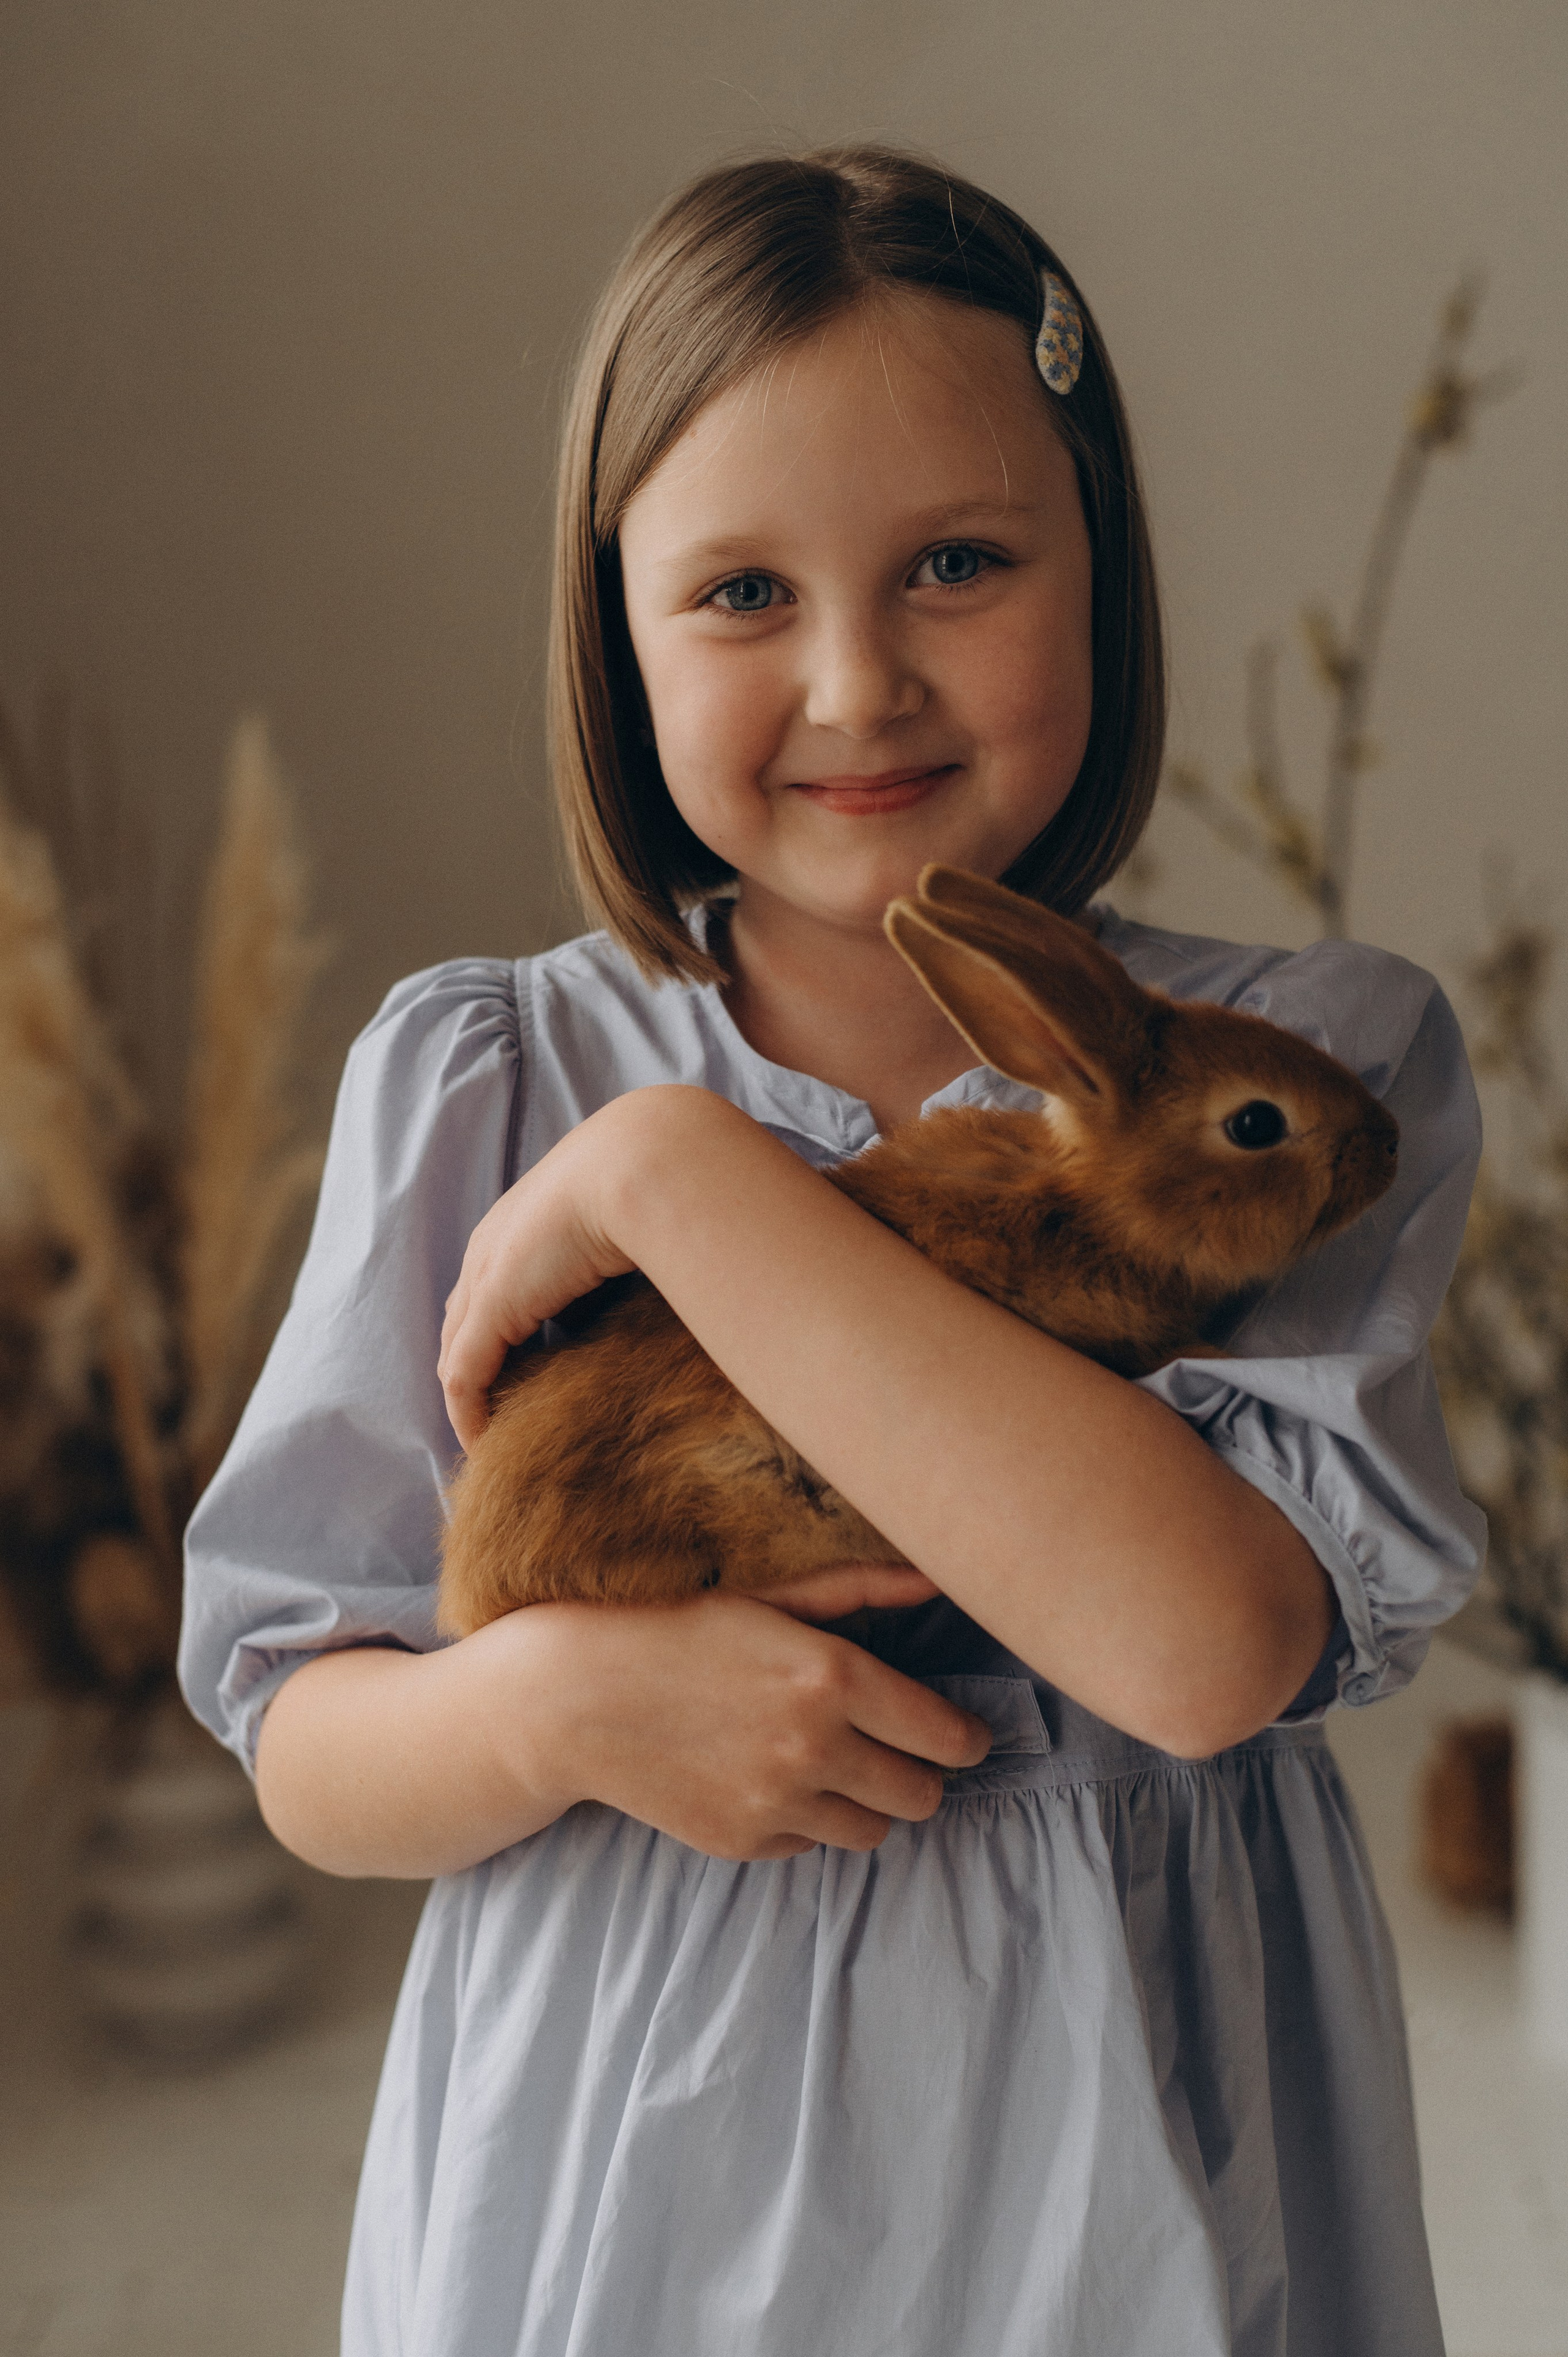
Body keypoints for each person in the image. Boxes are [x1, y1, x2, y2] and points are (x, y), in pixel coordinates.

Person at [179, 148, 1484, 2357]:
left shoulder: (1301, 1078)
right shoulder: (489, 1073)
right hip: (640, 2123)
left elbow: (1200, 1653)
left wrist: (679, 1185)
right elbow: (309, 1741)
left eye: (959, 563)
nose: (859, 682)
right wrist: (557, 1698)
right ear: (618, 619)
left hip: (1135, 2124)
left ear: (1103, 569)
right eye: (742, 595)